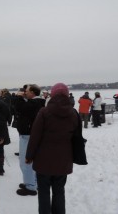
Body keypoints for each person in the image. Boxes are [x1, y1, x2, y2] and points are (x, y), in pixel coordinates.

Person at [26, 83, 79, 214]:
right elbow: (76, 138)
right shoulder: (73, 113)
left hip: (43, 161)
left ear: (52, 95)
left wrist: (29, 156)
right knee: (59, 192)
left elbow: (35, 136)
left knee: (43, 193)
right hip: (63, 161)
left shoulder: (44, 112)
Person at [15, 84, 45, 196]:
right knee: (29, 162)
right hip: (29, 135)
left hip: (28, 136)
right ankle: (31, 183)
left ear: (32, 92)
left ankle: (31, 187)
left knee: (25, 162)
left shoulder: (34, 103)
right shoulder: (37, 103)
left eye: (26, 91)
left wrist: (18, 97)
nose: (24, 92)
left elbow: (19, 108)